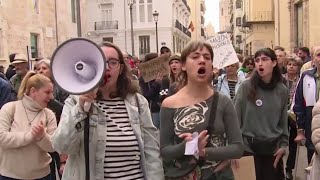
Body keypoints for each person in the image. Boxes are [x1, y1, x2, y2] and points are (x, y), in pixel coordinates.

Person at [52, 42, 164, 180]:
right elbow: (61, 146)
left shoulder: (138, 102)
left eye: (112, 62)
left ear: (121, 68)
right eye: (100, 62)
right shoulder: (75, 102)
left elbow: (151, 151)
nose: (106, 68)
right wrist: (80, 110)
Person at [160, 40, 243, 179]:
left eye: (207, 57)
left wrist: (204, 151)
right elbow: (164, 151)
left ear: (212, 65)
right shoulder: (169, 104)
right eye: (195, 56)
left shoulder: (224, 102)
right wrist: (187, 146)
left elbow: (238, 148)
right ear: (184, 65)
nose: (202, 60)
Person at [234, 48, 289, 180]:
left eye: (264, 59)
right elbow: (235, 119)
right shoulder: (246, 87)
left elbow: (283, 121)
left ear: (274, 63)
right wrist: (235, 148)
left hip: (272, 151)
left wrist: (283, 146)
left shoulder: (282, 90)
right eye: (257, 60)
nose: (260, 63)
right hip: (248, 149)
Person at [0, 71, 57, 180]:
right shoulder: (9, 108)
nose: (52, 97)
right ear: (33, 91)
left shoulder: (49, 115)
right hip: (10, 176)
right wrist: (30, 136)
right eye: (47, 92)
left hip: (42, 176)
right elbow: (2, 138)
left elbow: (53, 146)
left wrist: (42, 137)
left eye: (52, 92)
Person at [293, 48, 320, 164]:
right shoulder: (306, 77)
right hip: (311, 125)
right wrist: (300, 130)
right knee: (312, 163)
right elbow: (298, 104)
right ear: (313, 59)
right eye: (319, 55)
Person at [282, 55, 303, 179]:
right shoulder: (280, 79)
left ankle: (289, 168)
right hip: (282, 113)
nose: (291, 66)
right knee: (280, 140)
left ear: (298, 67)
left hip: (295, 114)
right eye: (289, 64)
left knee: (293, 143)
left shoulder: (301, 80)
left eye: (294, 65)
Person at [139, 53, 163, 129]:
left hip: (165, 108)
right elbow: (146, 96)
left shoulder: (165, 75)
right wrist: (156, 83)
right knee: (154, 133)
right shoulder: (144, 78)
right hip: (154, 110)